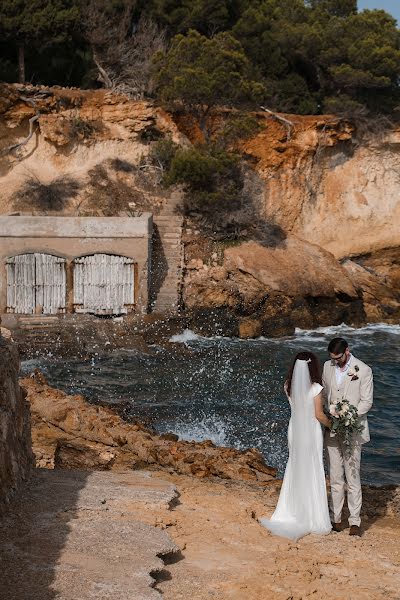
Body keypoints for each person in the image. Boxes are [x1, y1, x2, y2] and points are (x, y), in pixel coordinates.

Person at [260, 351, 332, 541]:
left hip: (294, 430)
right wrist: (336, 426)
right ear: (313, 366)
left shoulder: (288, 386)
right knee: (313, 468)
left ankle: (290, 509)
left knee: (295, 467)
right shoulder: (316, 388)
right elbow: (319, 415)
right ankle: (311, 514)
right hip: (311, 431)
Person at [323, 337, 373, 536]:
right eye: (333, 358)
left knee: (352, 476)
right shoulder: (327, 366)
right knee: (335, 476)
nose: (336, 361)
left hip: (353, 429)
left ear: (347, 351)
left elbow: (367, 402)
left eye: (339, 358)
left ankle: (355, 522)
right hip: (331, 429)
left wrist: (348, 417)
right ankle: (336, 519)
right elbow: (324, 392)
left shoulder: (363, 369)